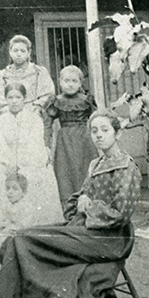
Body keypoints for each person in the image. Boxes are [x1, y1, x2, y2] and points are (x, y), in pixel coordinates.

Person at [0, 110, 149, 298]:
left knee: (24, 239)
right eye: (94, 131)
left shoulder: (126, 167)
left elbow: (121, 212)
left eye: (105, 130)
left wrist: (89, 205)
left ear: (118, 133)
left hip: (109, 237)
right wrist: (81, 203)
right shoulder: (96, 163)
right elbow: (77, 199)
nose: (99, 136)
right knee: (17, 239)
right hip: (84, 228)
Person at [0, 82, 63, 225]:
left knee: (34, 178)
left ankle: (34, 224)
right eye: (10, 97)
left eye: (18, 97)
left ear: (24, 98)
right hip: (7, 164)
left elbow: (35, 145)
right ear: (5, 99)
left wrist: (21, 164)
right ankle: (5, 221)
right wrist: (7, 163)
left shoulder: (34, 119)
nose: (14, 101)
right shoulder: (0, 122)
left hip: (30, 162)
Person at [44, 65, 99, 205]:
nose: (70, 84)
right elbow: (47, 124)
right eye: (67, 81)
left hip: (84, 140)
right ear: (60, 82)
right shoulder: (56, 101)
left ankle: (89, 204)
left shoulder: (86, 100)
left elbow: (97, 120)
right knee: (65, 172)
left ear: (80, 83)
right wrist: (46, 145)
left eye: (74, 81)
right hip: (65, 142)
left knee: (85, 169)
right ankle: (69, 210)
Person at [0, 35, 55, 114]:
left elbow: (48, 94)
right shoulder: (0, 76)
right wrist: (13, 111)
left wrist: (37, 107)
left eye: (22, 51)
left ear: (29, 53)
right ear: (10, 52)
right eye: (15, 50)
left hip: (33, 114)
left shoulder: (39, 72)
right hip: (9, 116)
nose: (19, 54)